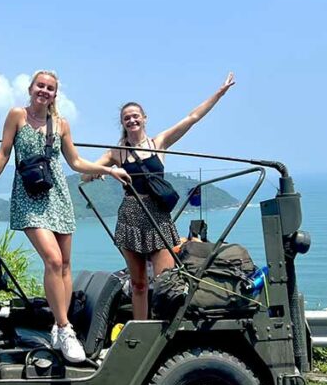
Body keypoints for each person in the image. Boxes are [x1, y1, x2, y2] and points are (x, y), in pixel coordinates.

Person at [0, 70, 131, 362]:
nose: (44, 91)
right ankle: (66, 329)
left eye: (50, 88)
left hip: (58, 197)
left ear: (56, 94)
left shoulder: (61, 124)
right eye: (40, 86)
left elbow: (75, 161)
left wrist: (108, 170)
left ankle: (59, 326)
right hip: (29, 198)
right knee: (53, 260)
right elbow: (3, 152)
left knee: (66, 265)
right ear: (30, 88)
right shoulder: (17, 115)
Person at [83, 72, 236, 320]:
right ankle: (140, 329)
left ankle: (163, 329)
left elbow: (192, 118)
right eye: (126, 118)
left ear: (144, 118)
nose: (132, 120)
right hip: (131, 216)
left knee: (166, 282)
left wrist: (219, 93)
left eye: (135, 116)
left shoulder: (159, 143)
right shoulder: (116, 152)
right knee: (139, 283)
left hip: (157, 216)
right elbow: (85, 174)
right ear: (122, 123)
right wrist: (104, 171)